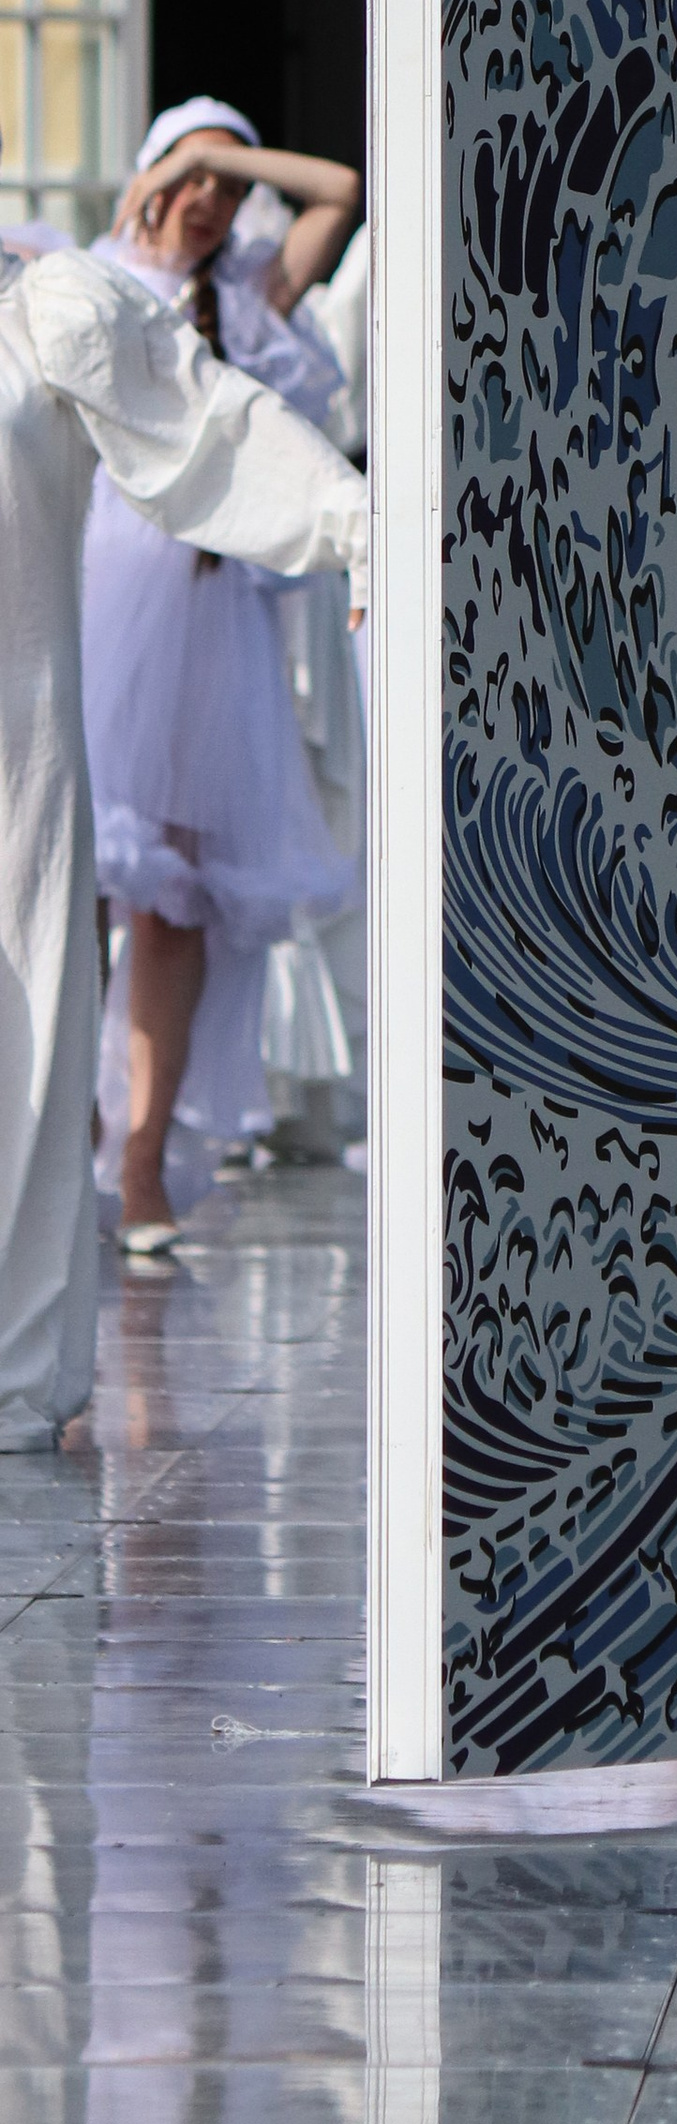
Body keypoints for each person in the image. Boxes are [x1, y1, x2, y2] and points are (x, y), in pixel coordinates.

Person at [0, 225, 365, 1438]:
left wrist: (350, 517)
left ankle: (15, 1364)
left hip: (17, 749)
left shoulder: (45, 304)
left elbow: (205, 428)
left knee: (27, 1034)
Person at [82, 101, 364, 1247]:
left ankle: (143, 1154)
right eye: (187, 176)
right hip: (106, 604)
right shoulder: (95, 278)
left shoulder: (247, 291)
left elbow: (340, 189)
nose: (206, 200)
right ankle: (61, 1137)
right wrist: (164, 178)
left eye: (222, 184)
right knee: (79, 870)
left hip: (211, 631)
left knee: (175, 904)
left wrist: (228, 161)